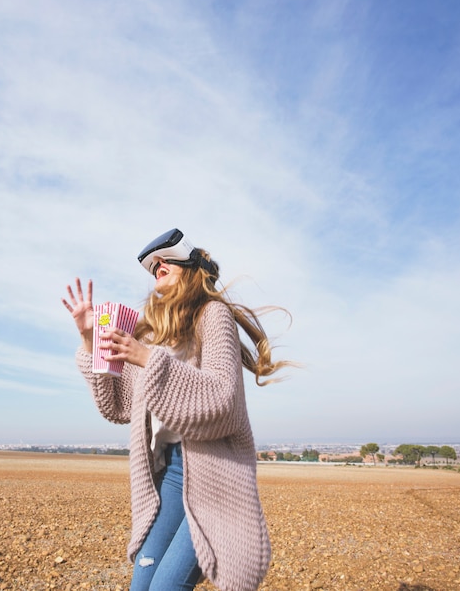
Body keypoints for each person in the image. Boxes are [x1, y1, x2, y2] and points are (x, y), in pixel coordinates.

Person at [62, 228, 292, 591]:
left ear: (191, 267)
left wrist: (146, 358)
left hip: (215, 473)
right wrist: (90, 339)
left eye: (165, 260)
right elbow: (117, 405)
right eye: (153, 265)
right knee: (142, 585)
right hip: (170, 472)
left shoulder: (212, 316)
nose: (158, 266)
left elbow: (223, 401)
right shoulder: (154, 334)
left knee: (166, 587)